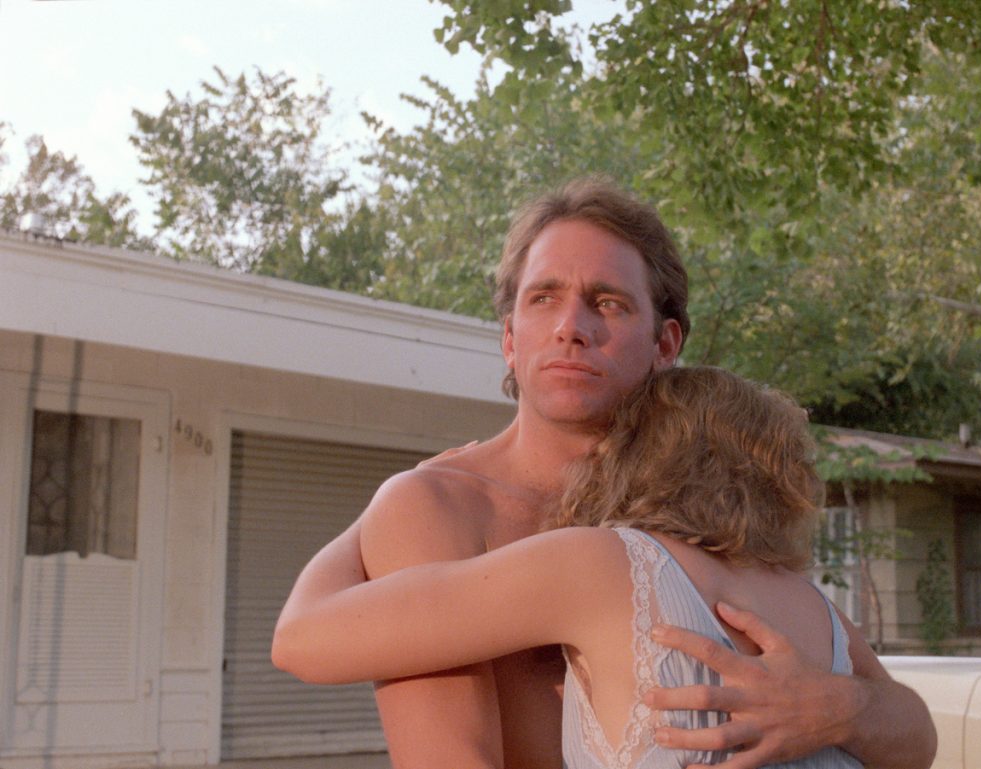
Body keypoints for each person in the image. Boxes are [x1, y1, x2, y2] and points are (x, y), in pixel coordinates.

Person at [272, 178, 937, 769]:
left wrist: (840, 707)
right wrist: (380, 505)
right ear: (509, 337)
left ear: (665, 343)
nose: (571, 327)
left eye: (608, 302)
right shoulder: (439, 506)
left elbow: (913, 731)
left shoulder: (694, 518)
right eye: (543, 298)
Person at [277, 366, 876, 768]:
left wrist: (385, 503)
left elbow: (302, 637)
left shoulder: (603, 561)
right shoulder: (815, 610)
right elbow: (915, 741)